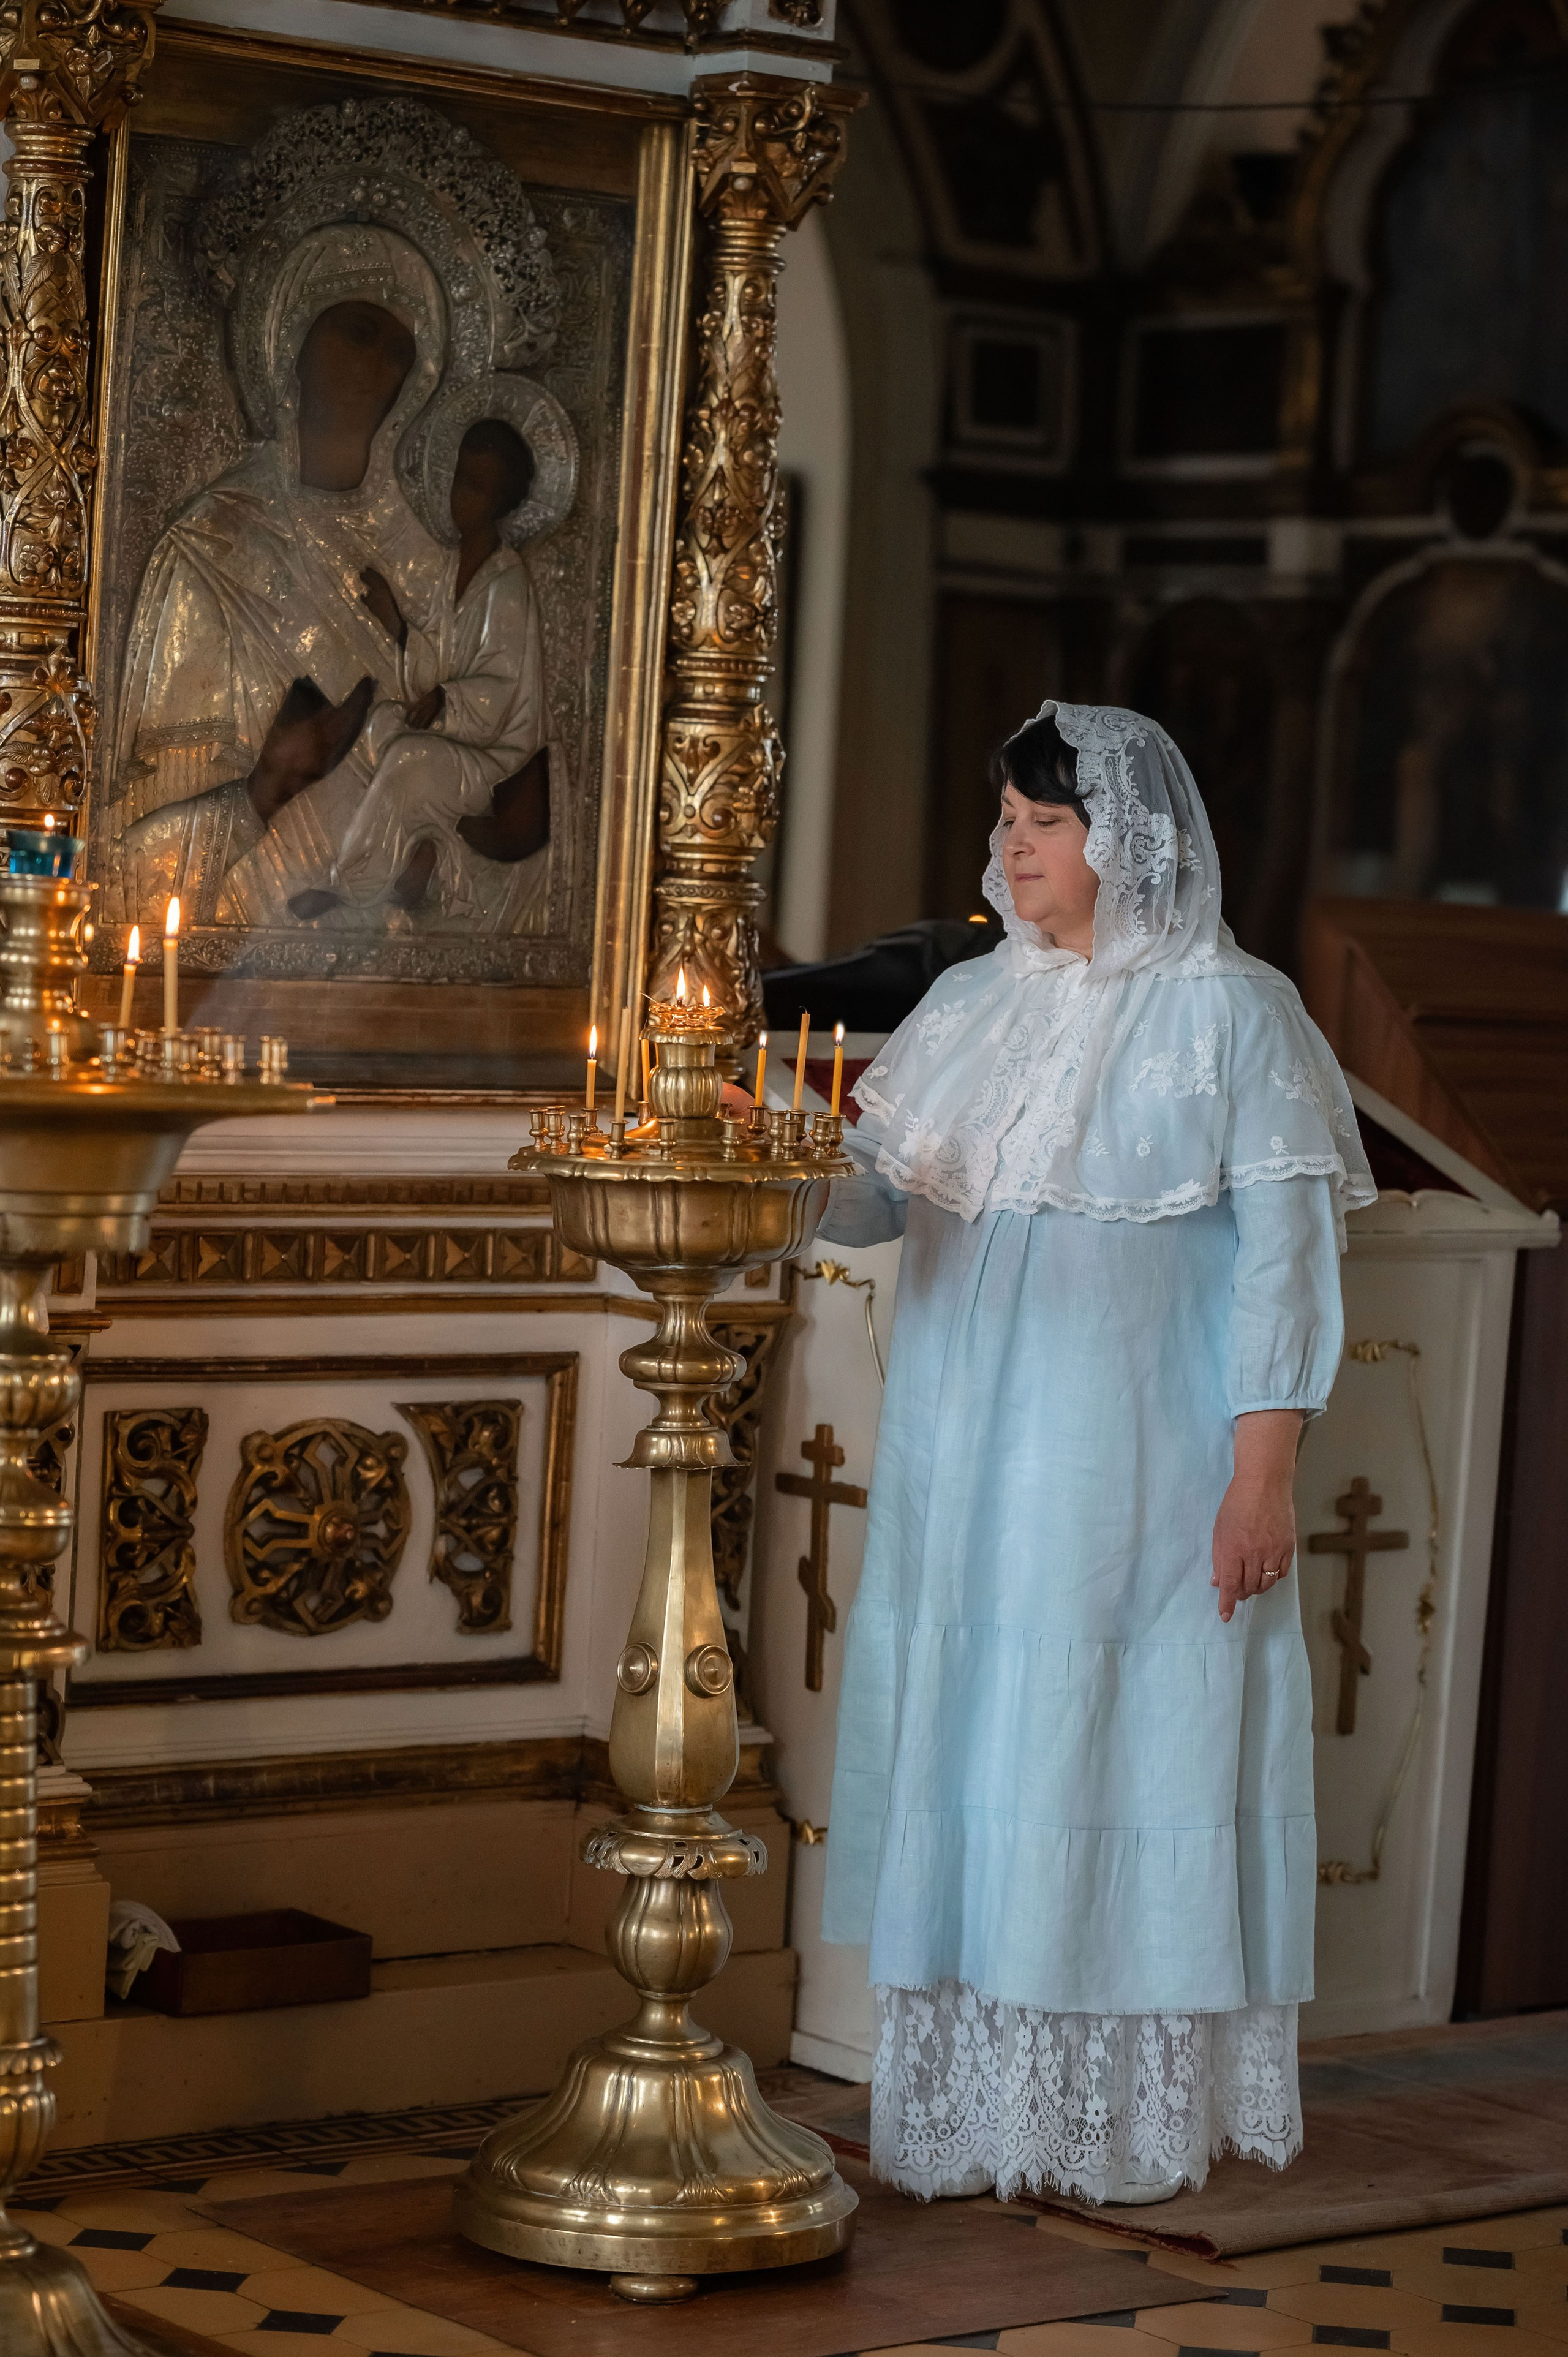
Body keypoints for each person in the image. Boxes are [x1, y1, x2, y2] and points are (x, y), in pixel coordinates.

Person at [816, 701, 1376, 2208]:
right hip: (965, 1463)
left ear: (1126, 839)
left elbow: (1285, 1267)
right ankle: (972, 2114)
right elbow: (875, 1194)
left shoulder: (1232, 1010)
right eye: (1005, 820)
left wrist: (1259, 1474)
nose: (1013, 847)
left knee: (1117, 1735)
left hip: (1131, 1467)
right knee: (982, 1728)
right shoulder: (968, 1000)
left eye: (1045, 822)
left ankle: (1112, 2124)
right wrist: (772, 1156)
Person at [315, 416, 549, 924]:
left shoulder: (507, 584)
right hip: (458, 738)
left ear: (501, 500)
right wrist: (398, 626)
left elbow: (503, 689)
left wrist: (446, 699)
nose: (461, 497)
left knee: (409, 757)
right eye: (460, 479)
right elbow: (440, 663)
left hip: (496, 758)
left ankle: (353, 886)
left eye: (477, 486)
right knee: (381, 725)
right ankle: (422, 854)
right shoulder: (453, 571)